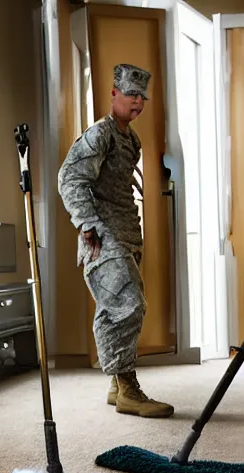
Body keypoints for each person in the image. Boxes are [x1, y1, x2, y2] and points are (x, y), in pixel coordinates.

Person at [58, 63, 174, 419]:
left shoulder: (131, 139)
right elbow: (70, 178)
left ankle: (115, 384)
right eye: (130, 95)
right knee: (128, 305)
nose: (137, 102)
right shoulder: (100, 134)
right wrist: (87, 223)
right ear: (113, 94)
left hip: (125, 234)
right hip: (102, 235)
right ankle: (128, 389)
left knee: (117, 308)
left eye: (142, 97)